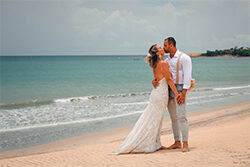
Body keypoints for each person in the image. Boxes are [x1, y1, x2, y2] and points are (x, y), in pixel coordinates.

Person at [112, 44, 180, 154]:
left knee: (155, 119)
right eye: (160, 48)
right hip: (161, 95)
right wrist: (177, 94)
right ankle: (152, 144)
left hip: (157, 94)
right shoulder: (163, 63)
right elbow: (170, 80)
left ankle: (157, 143)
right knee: (155, 120)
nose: (163, 48)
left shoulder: (155, 64)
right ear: (158, 53)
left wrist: (154, 82)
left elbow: (156, 79)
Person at [153, 37, 192, 152]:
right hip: (168, 90)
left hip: (180, 89)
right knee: (173, 118)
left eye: (165, 46)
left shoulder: (184, 58)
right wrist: (155, 81)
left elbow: (188, 76)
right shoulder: (167, 60)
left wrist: (183, 93)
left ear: (171, 45)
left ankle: (185, 143)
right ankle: (177, 142)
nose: (164, 48)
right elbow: (164, 76)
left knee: (182, 117)